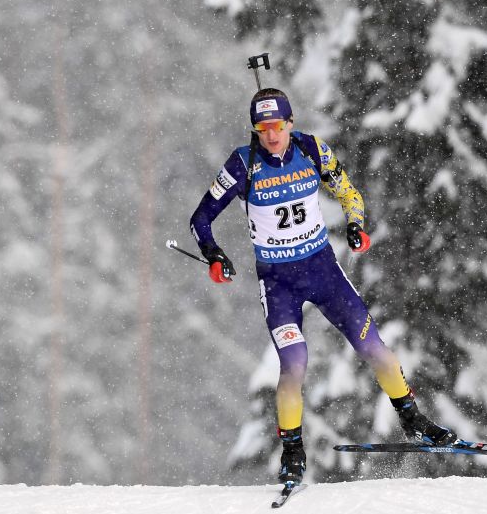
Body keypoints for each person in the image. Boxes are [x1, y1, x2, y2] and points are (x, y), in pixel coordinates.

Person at [189, 88, 455, 484]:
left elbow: (348, 192)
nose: (272, 136)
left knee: (372, 346)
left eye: (278, 127)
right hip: (279, 283)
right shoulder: (242, 165)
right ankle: (293, 455)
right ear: (255, 130)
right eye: (263, 129)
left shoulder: (312, 150)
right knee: (294, 363)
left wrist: (355, 225)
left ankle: (413, 419)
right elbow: (200, 219)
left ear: (290, 124)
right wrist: (213, 255)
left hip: (323, 271)